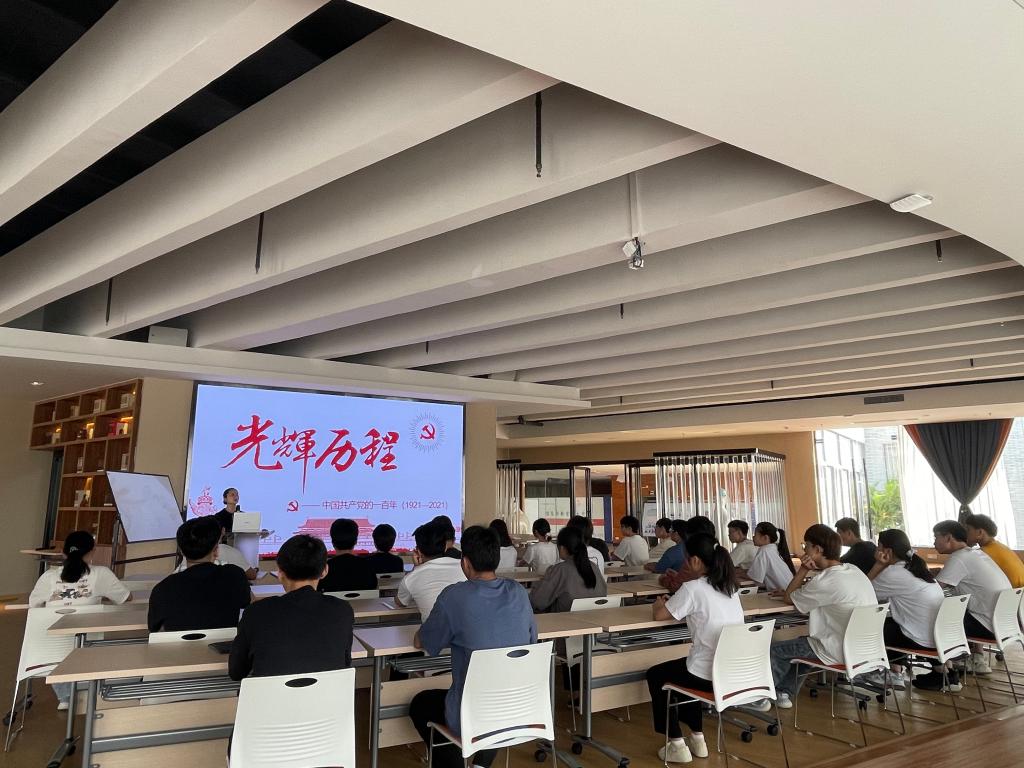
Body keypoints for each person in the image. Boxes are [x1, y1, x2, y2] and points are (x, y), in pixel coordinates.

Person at [409, 526, 537, 768]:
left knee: (421, 704)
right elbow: (531, 641)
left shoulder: (454, 596)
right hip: (518, 707)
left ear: (465, 562)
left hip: (474, 713)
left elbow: (423, 642)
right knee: (495, 690)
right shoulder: (519, 592)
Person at [645, 533, 743, 763]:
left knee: (657, 675)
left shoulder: (693, 588)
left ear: (696, 561)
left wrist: (658, 604)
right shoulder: (730, 587)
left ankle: (677, 744)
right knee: (684, 672)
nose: (685, 564)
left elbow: (660, 615)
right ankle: (698, 739)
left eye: (687, 560)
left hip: (706, 674)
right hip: (730, 673)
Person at [767, 524, 876, 709]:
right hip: (865, 649)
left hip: (837, 649)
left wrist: (803, 570)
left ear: (817, 550)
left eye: (806, 546)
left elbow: (788, 598)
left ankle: (761, 697)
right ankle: (784, 692)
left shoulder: (824, 581)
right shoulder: (853, 570)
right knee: (801, 645)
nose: (804, 550)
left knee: (774, 650)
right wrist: (802, 588)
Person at [29, 531, 133, 711]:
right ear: (92, 552)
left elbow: (33, 606)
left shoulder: (48, 577)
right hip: (87, 650)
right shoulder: (101, 574)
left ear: (63, 553)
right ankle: (89, 690)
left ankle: (65, 696)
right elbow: (126, 598)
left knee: (60, 645)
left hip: (47, 654)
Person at [230, 534, 354, 679]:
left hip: (271, 694)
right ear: (324, 571)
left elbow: (236, 672)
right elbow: (345, 662)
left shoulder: (256, 612)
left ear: (280, 573)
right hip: (328, 693)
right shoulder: (342, 610)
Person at [866, 529, 944, 690]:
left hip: (920, 639)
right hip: (939, 636)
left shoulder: (894, 572)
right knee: (892, 623)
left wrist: (878, 565)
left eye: (878, 546)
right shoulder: (917, 567)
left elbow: (864, 593)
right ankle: (897, 670)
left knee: (871, 628)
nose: (876, 551)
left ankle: (893, 674)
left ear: (887, 551)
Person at [933, 519, 1011, 675]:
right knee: (953, 611)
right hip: (1006, 625)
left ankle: (944, 671)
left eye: (936, 537)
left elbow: (933, 590)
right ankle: (972, 658)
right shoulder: (976, 553)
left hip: (988, 627)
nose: (934, 542)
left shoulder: (959, 558)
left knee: (933, 620)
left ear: (948, 538)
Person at [148, 517, 251, 632]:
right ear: (216, 550)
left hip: (177, 644)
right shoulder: (235, 576)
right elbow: (249, 606)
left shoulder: (162, 589)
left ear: (182, 551)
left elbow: (155, 629)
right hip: (226, 643)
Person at [396, 520, 466, 619]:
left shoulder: (411, 577)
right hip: (467, 627)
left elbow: (401, 602)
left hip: (434, 629)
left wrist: (416, 568)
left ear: (419, 551)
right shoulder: (464, 567)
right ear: (445, 547)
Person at [530, 526, 607, 613]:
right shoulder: (593, 567)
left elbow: (537, 602)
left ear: (562, 548)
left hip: (564, 619)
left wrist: (537, 585)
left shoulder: (560, 570)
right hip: (596, 617)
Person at [963, 513, 1024, 588]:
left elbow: (960, 560)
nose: (965, 534)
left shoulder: (982, 553)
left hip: (1012, 592)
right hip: (1019, 591)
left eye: (968, 530)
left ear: (980, 533)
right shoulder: (1000, 546)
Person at [317, 518, 377, 592]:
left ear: (332, 542)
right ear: (356, 541)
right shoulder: (367, 565)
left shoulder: (325, 568)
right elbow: (373, 586)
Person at [742, 522, 796, 592]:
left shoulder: (764, 551)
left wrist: (738, 574)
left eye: (755, 534)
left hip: (781, 593)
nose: (753, 537)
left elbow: (755, 577)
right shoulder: (773, 548)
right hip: (789, 590)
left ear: (765, 538)